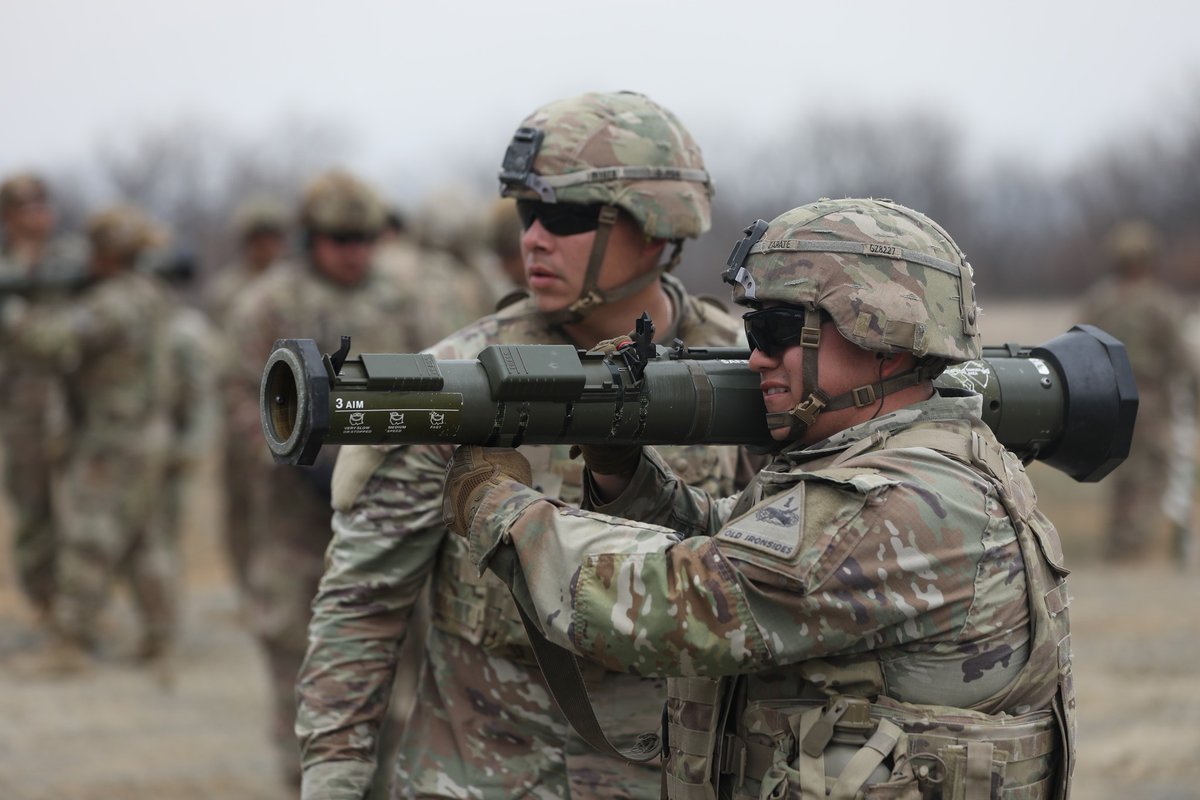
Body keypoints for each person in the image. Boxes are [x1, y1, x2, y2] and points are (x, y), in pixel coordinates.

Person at [443, 198, 1076, 799]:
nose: (755, 358)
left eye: (775, 330)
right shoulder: (911, 456)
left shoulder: (902, 501)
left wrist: (496, 505)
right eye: (753, 330)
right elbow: (735, 544)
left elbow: (679, 604)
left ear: (880, 334)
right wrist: (624, 475)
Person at [296, 90, 746, 799]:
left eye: (564, 218)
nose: (533, 238)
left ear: (657, 226)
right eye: (527, 213)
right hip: (486, 778)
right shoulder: (455, 383)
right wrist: (334, 779)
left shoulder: (747, 378)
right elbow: (363, 603)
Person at [227, 168, 461, 787]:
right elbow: (241, 400)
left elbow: (444, 387)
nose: (354, 252)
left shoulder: (408, 299)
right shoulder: (268, 304)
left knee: (396, 683)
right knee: (304, 679)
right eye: (339, 239)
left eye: (364, 239)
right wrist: (300, 459)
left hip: (392, 519)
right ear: (311, 237)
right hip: (298, 529)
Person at [5, 205, 176, 675]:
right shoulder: (150, 293)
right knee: (143, 538)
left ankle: (69, 644)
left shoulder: (114, 302)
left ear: (109, 253)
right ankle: (159, 635)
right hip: (145, 434)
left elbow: (52, 341)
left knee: (87, 536)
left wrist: (12, 313)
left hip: (113, 439)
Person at [1079, 219, 1196, 561]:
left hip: (1106, 400)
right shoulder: (1159, 302)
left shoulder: (1099, 302)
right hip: (1149, 403)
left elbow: (1077, 348)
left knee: (1121, 474)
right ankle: (1130, 548)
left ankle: (1120, 543)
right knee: (1150, 475)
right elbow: (1181, 357)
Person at [0, 173, 86, 626]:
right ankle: (44, 602)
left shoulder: (71, 257)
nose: (37, 215)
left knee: (84, 505)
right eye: (26, 208)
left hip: (72, 398)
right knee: (32, 508)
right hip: (19, 403)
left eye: (42, 205)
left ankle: (82, 603)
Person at [209, 194, 291, 609]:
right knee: (238, 506)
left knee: (276, 509)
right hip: (240, 409)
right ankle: (245, 588)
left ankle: (272, 589)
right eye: (258, 238)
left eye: (273, 237)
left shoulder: (292, 288)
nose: (266, 246)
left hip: (286, 412)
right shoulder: (227, 290)